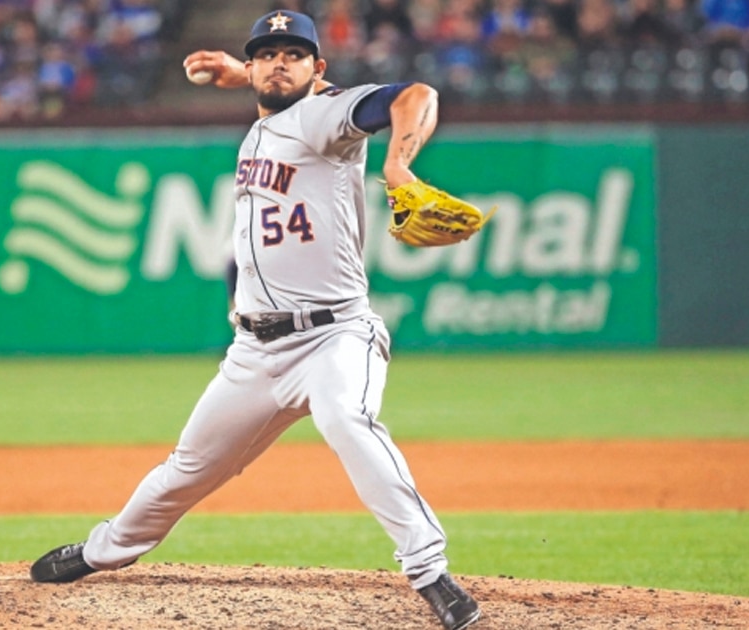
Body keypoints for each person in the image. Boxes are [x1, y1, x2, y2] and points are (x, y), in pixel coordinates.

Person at [29, 9, 482, 630]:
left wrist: (399, 165)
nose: (278, 64)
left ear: (319, 69)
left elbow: (416, 96)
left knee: (346, 419)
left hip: (334, 335)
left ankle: (430, 572)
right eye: (267, 55)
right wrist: (240, 73)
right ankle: (102, 551)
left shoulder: (324, 117)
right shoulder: (265, 126)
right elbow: (246, 224)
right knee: (187, 469)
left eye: (294, 55)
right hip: (256, 353)